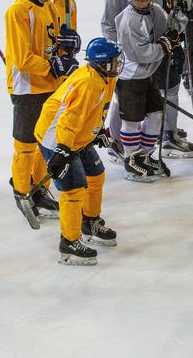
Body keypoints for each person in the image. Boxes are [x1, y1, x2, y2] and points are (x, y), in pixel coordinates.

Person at [34, 37, 123, 265]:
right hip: (58, 138)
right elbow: (68, 119)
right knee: (73, 190)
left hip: (78, 136)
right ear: (102, 63)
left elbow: (94, 109)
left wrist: (98, 130)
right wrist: (62, 150)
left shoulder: (105, 77)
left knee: (96, 176)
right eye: (114, 61)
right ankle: (69, 243)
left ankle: (90, 223)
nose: (118, 64)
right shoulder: (88, 83)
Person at [6, 0, 81, 228]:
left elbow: (54, 43)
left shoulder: (51, 5)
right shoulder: (18, 11)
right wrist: (52, 65)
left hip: (50, 83)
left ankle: (38, 187)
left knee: (44, 142)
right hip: (27, 87)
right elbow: (22, 59)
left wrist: (70, 46)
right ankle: (21, 190)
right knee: (25, 144)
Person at [102, 0, 171, 161]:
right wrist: (122, 52)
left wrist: (165, 42)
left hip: (152, 53)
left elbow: (157, 14)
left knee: (151, 107)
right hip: (129, 56)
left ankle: (140, 148)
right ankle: (115, 140)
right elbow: (108, 24)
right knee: (122, 101)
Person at [115, 0, 181, 182]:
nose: (142, 1)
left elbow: (171, 27)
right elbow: (139, 53)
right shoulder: (128, 21)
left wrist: (178, 14)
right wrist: (164, 46)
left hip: (147, 76)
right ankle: (131, 159)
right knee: (132, 121)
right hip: (130, 78)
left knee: (155, 115)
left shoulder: (154, 10)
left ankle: (144, 155)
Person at [150, 0, 193, 159]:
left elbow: (188, 2)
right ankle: (165, 133)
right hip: (159, 46)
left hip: (174, 42)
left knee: (172, 90)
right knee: (165, 91)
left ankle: (168, 129)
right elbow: (160, 10)